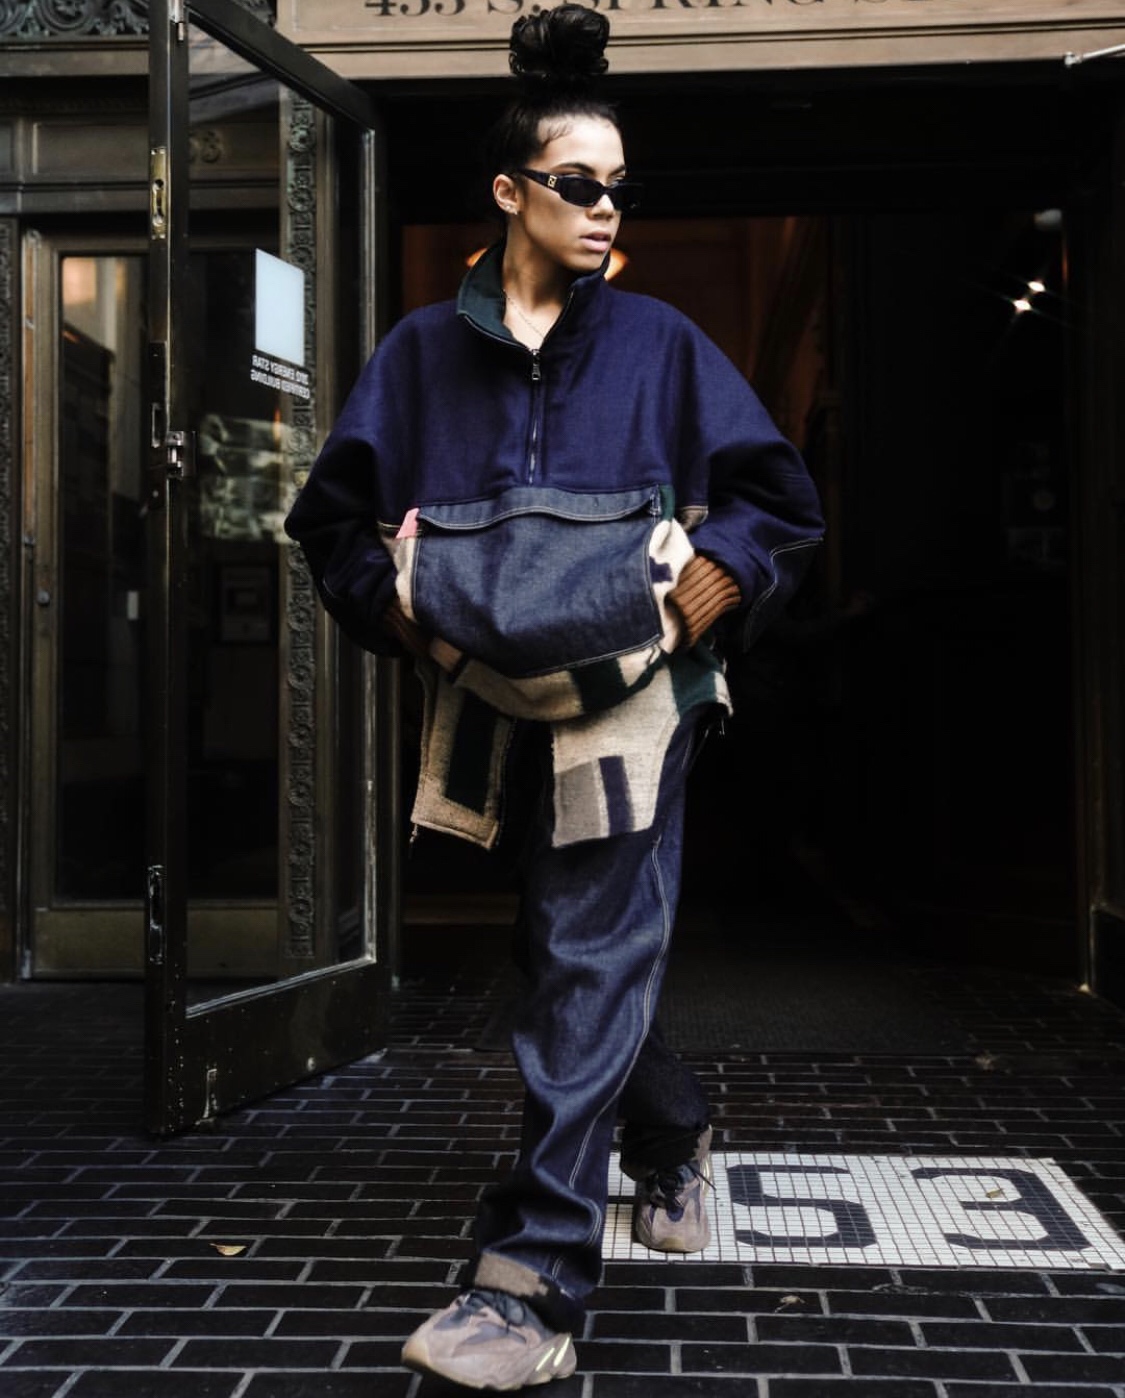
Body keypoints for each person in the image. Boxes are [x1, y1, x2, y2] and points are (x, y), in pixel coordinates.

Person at [284, 6, 824, 1389]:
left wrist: (717, 583)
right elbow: (329, 521)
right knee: (558, 949)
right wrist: (394, 607)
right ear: (509, 190)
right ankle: (672, 1130)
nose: (603, 208)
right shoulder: (421, 353)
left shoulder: (659, 343)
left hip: (636, 700)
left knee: (588, 947)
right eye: (578, 183)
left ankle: (526, 1282)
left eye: (617, 188)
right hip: (484, 698)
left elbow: (776, 500)